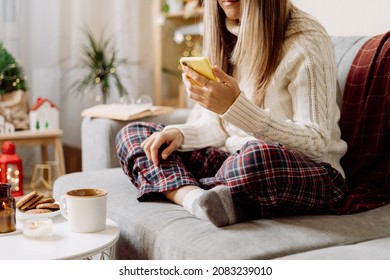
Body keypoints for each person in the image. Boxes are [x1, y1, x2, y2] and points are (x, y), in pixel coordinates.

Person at [116, 0, 348, 227]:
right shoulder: (225, 34)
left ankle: (192, 186)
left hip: (309, 171)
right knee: (135, 135)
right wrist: (181, 134)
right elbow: (219, 128)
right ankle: (195, 197)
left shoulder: (306, 39)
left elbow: (316, 144)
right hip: (233, 159)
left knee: (256, 156)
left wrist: (236, 107)